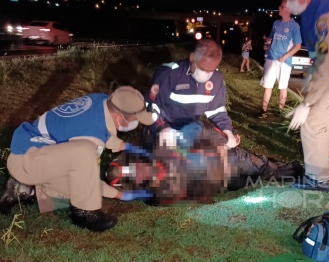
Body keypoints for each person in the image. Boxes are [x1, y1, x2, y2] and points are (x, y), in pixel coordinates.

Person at [0, 86, 156, 232]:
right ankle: (84, 213)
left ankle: (24, 189)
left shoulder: (102, 101)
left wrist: (125, 146)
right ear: (118, 117)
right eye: (135, 119)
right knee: (83, 184)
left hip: (34, 153)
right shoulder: (90, 140)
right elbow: (89, 180)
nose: (137, 123)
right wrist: (119, 195)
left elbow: (102, 130)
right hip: (28, 162)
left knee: (79, 186)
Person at [106, 121, 304, 205]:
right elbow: (131, 196)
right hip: (220, 181)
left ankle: (296, 172)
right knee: (253, 180)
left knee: (261, 167)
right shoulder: (152, 191)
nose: (139, 172)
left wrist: (222, 144)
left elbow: (196, 130)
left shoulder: (155, 150)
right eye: (133, 175)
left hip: (225, 159)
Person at [286, 0, 329, 191]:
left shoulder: (327, 10)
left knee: (312, 121)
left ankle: (318, 179)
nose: (287, 6)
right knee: (323, 115)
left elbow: (326, 62)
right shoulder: (312, 10)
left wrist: (306, 104)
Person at [143, 39, 238, 152]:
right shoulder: (170, 74)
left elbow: (217, 110)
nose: (206, 75)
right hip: (161, 130)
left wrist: (227, 131)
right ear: (192, 57)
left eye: (211, 70)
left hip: (189, 131)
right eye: (202, 69)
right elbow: (150, 107)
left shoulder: (216, 79)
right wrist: (162, 128)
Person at [258, 0, 302, 119]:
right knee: (268, 85)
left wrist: (285, 56)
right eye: (280, 6)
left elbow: (298, 45)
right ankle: (263, 111)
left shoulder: (294, 26)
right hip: (271, 58)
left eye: (282, 7)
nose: (279, 8)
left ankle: (280, 111)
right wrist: (268, 42)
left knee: (283, 87)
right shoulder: (276, 23)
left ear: (289, 10)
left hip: (285, 62)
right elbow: (271, 38)